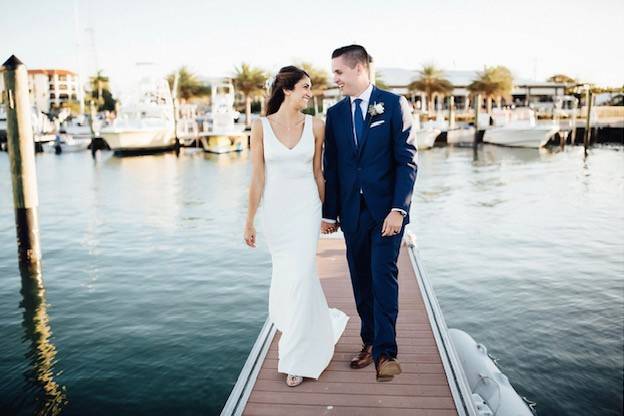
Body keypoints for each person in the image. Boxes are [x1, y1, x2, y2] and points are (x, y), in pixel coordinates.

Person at [244, 66, 349, 387]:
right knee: (288, 278)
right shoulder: (259, 126)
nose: (309, 93)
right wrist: (249, 220)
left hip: (306, 210)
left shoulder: (316, 126)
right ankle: (308, 328)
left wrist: (329, 215)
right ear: (286, 89)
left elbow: (319, 174)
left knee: (303, 275)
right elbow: (258, 178)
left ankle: (297, 357)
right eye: (305, 87)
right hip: (276, 213)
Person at [321, 45, 418, 382]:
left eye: (339, 72)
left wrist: (398, 209)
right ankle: (369, 341)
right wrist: (330, 213)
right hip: (352, 214)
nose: (335, 79)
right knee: (361, 281)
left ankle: (385, 353)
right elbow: (332, 168)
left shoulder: (393, 105)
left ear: (359, 68)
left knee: (382, 276)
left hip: (386, 213)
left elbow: (407, 160)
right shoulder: (334, 115)